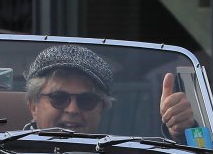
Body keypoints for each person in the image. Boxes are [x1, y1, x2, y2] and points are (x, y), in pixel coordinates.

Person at [25, 45, 195, 134]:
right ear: (33, 106)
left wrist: (179, 132)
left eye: (87, 100)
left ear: (101, 108)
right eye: (58, 98)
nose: (72, 109)